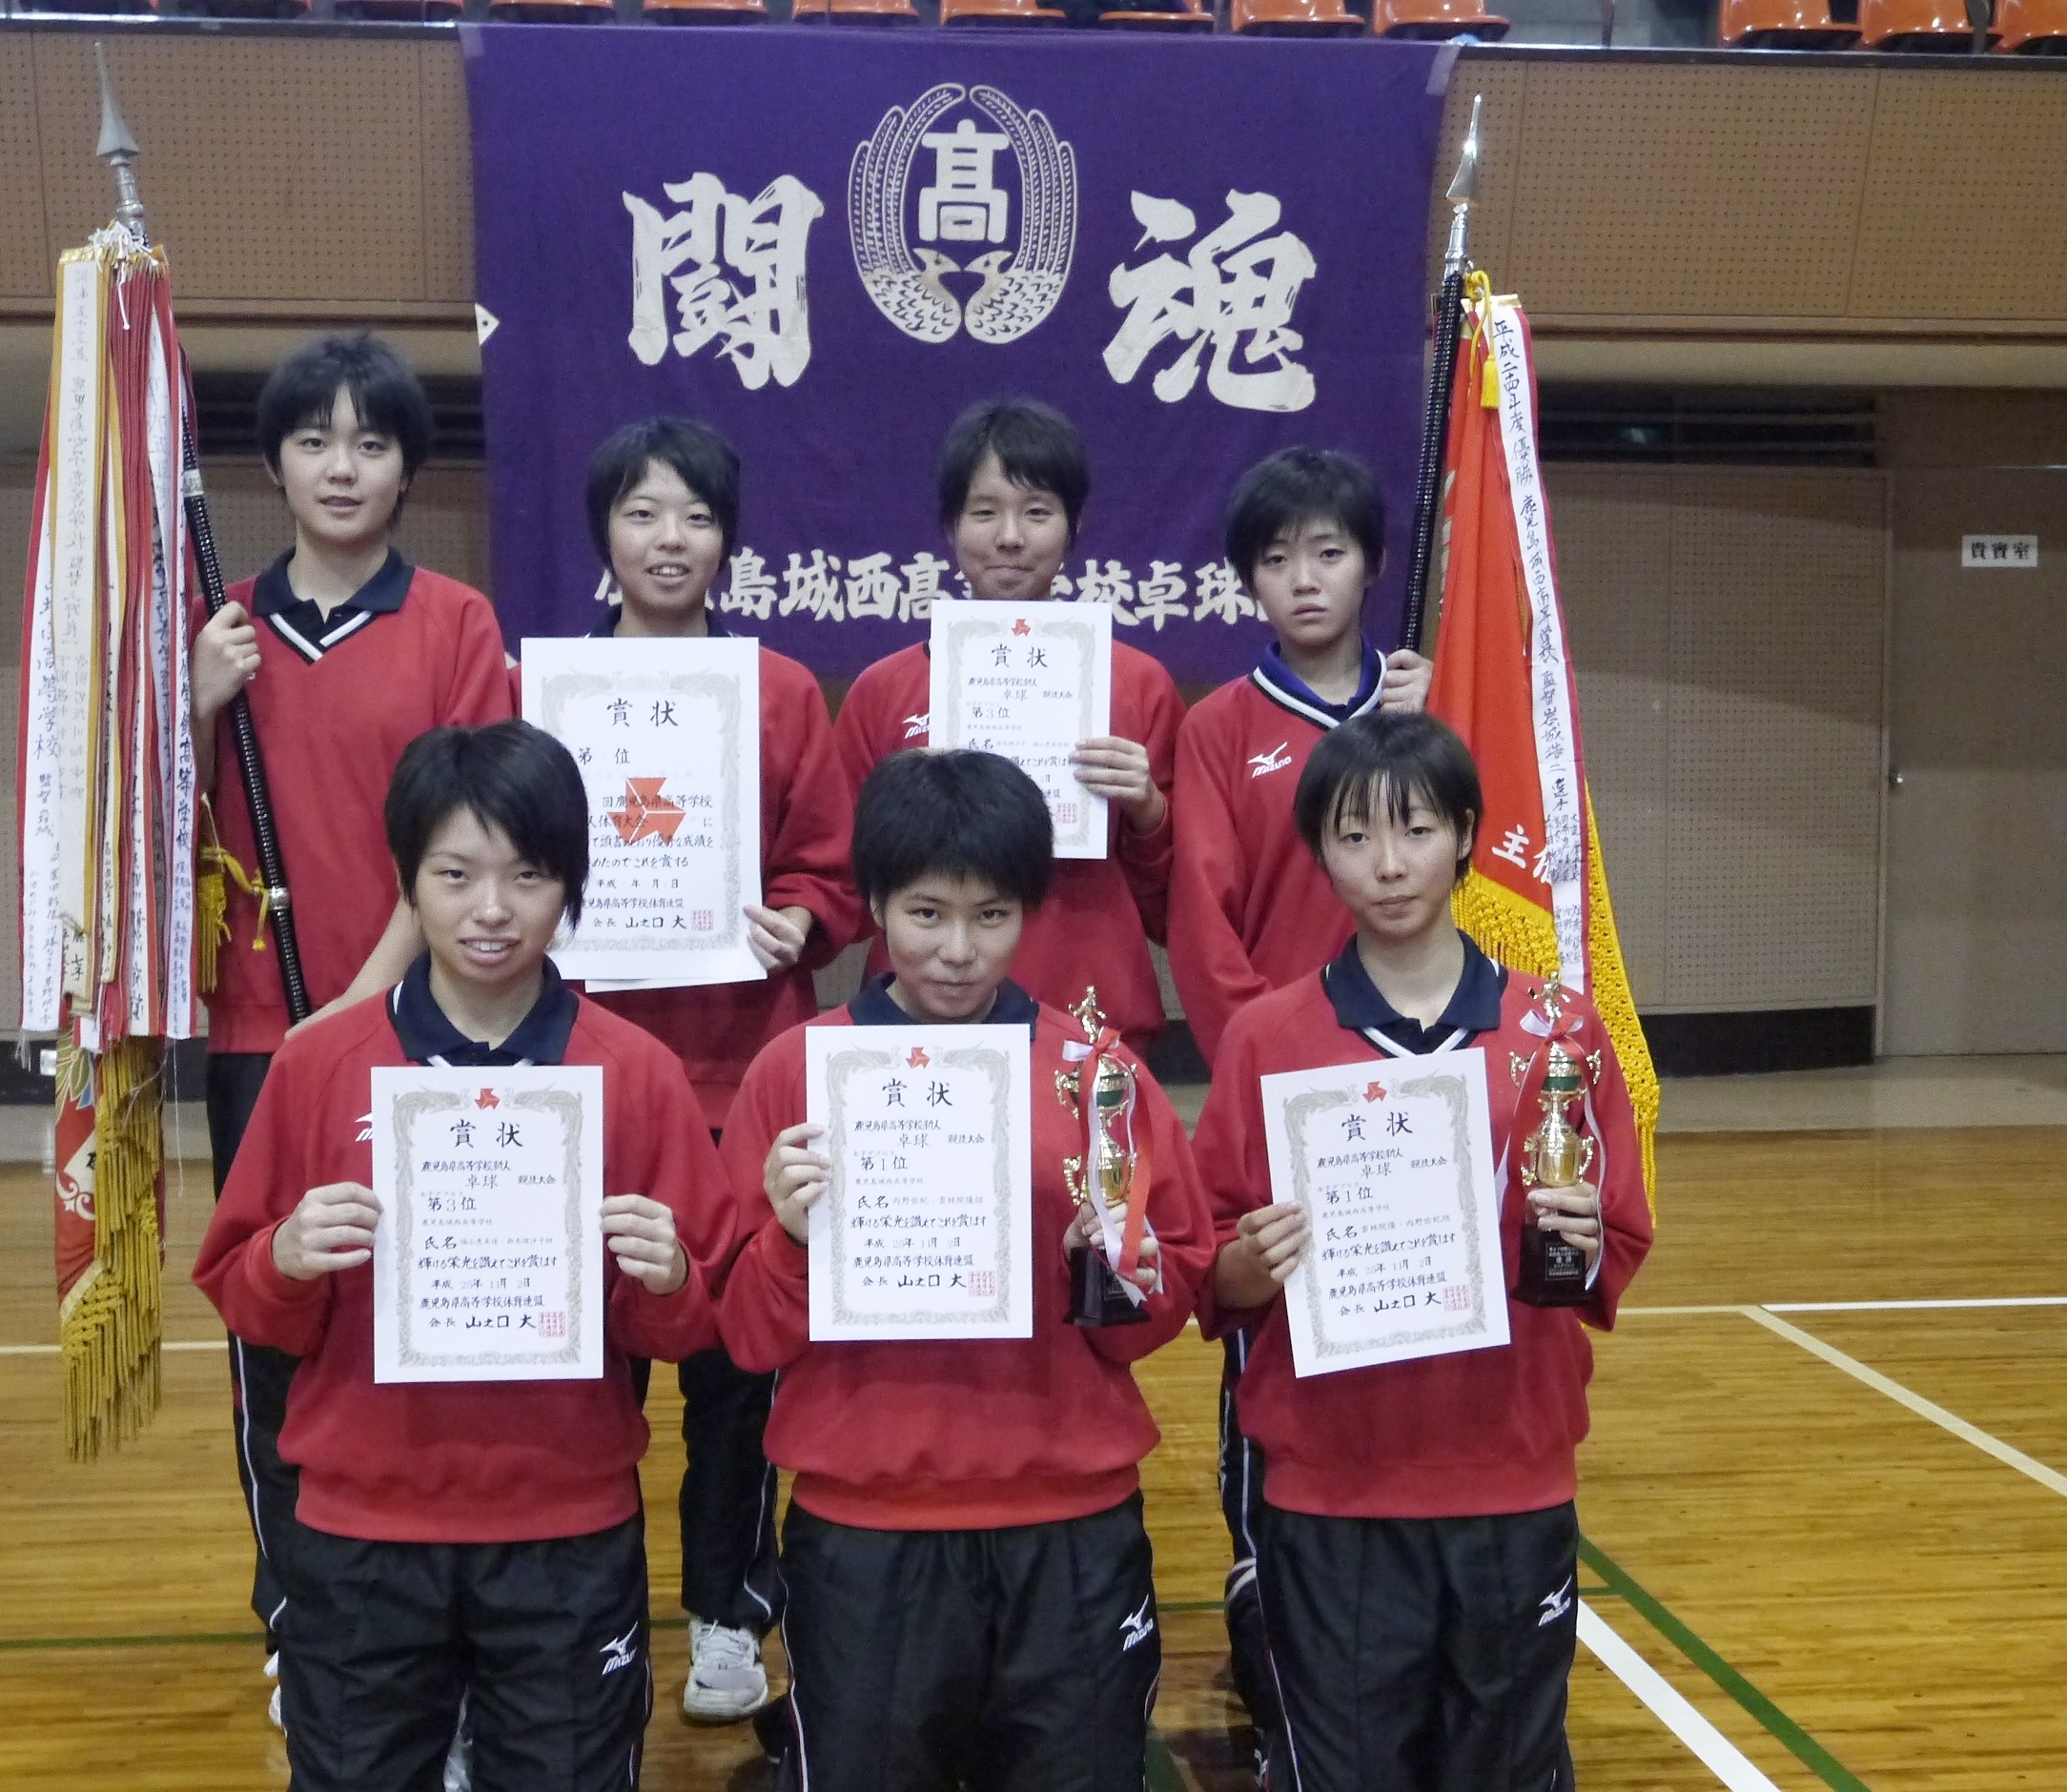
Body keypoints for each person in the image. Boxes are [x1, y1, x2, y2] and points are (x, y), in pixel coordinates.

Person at [194, 721, 736, 1792]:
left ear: (569, 884)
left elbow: (696, 1320)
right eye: (455, 875)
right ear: (407, 883)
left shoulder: (634, 1072)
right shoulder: (319, 1064)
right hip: (361, 1532)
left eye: (527, 876)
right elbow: (243, 1296)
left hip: (564, 1528)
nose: (491, 909)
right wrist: (286, 1258)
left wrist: (669, 1277)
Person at [717, 749, 1217, 1792]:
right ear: (874, 907)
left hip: (1070, 1518)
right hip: (868, 1524)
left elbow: (1158, 1306)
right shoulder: (795, 1073)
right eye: (925, 913)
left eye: (989, 915)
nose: (955, 949)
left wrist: (1113, 1272)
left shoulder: (1098, 1075)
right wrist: (789, 1239)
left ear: (1029, 910)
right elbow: (746, 1336)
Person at [1192, 711, 1653, 1792]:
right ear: (1318, 851)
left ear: (1467, 834)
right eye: (1354, 836)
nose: (1388, 864)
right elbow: (1204, 1264)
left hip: (1509, 1474)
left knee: (1505, 1766)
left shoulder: (1557, 1032)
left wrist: (1582, 1242)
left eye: (1416, 829)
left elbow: (1618, 1235)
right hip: (1332, 1490)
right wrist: (1248, 1263)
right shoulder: (1266, 1037)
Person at [189, 334, 517, 1719]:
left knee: (427, 1312)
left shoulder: (455, 623)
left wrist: (360, 1005)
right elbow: (138, 834)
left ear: (406, 470)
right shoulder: (219, 629)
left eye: (371, 443)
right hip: (257, 1036)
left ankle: (443, 1616)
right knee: (279, 1318)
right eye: (315, 441)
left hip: (422, 1025)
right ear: (272, 464)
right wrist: (189, 709)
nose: (342, 466)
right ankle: (298, 1608)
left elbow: (471, 843)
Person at [568, 417, 859, 1725]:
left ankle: (729, 1615)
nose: (669, 539)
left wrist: (800, 916)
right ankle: (586, 1614)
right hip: (592, 1079)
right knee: (589, 1363)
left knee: (739, 1374)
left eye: (694, 515)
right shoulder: (550, 693)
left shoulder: (781, 691)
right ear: (605, 531)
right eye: (642, 512)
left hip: (745, 1077)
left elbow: (830, 865)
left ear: (728, 538)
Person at [1159, 446, 1427, 1761]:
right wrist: (1274, 1064)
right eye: (1276, 558)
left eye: (1328, 551)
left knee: (1416, 1330)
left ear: (1371, 563)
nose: (1304, 578)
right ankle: (1271, 1606)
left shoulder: (1430, 715)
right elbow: (1203, 926)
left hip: (1429, 1093)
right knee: (1268, 1333)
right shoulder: (1219, 727)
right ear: (1248, 581)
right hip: (1286, 1095)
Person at [829, 397, 1184, 1058]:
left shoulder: (1139, 685)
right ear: (951, 526)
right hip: (923, 1014)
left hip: (1091, 1007)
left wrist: (1148, 810)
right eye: (985, 512)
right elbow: (846, 890)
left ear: (1073, 527)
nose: (1011, 537)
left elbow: (1176, 906)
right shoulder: (883, 692)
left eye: (1037, 512)